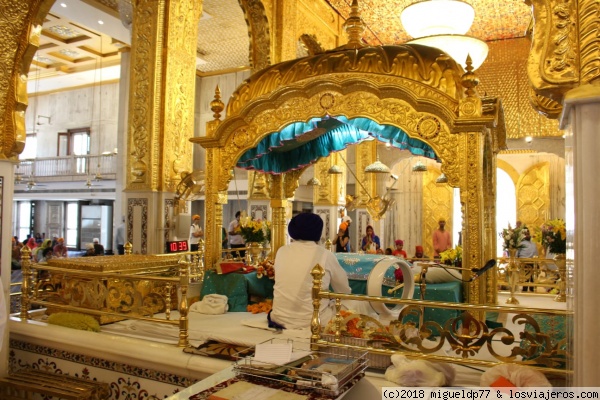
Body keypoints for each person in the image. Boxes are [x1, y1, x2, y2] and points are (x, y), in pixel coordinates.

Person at [270, 212, 351, 330]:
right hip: (314, 321)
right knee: (355, 304)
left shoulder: (282, 251)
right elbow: (344, 291)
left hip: (279, 319)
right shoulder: (325, 255)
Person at [518, 227, 539, 292]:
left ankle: (532, 287)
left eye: (528, 233)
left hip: (533, 261)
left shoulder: (533, 241)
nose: (527, 235)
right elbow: (517, 253)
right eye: (525, 234)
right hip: (524, 262)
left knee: (536, 271)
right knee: (526, 275)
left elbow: (536, 251)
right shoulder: (520, 243)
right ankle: (525, 288)